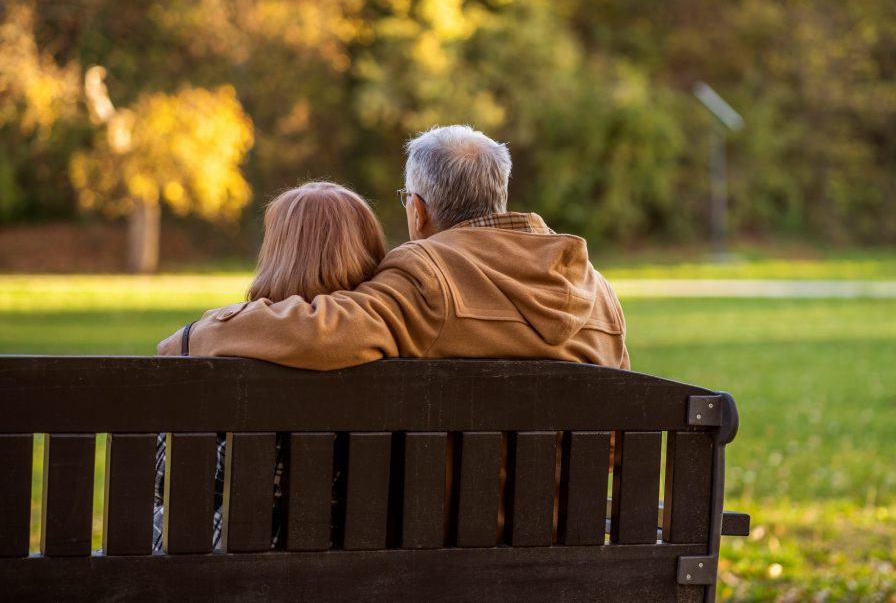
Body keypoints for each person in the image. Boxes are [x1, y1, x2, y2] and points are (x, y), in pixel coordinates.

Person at [158, 124, 628, 370]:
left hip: (457, 537)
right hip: (567, 529)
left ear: (418, 212)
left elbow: (317, 331)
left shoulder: (430, 274)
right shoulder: (596, 290)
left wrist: (194, 335)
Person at [153, 181, 387, 551]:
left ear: (277, 253)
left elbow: (164, 482)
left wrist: (190, 338)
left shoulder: (213, 347)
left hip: (213, 557)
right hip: (353, 560)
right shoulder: (391, 347)